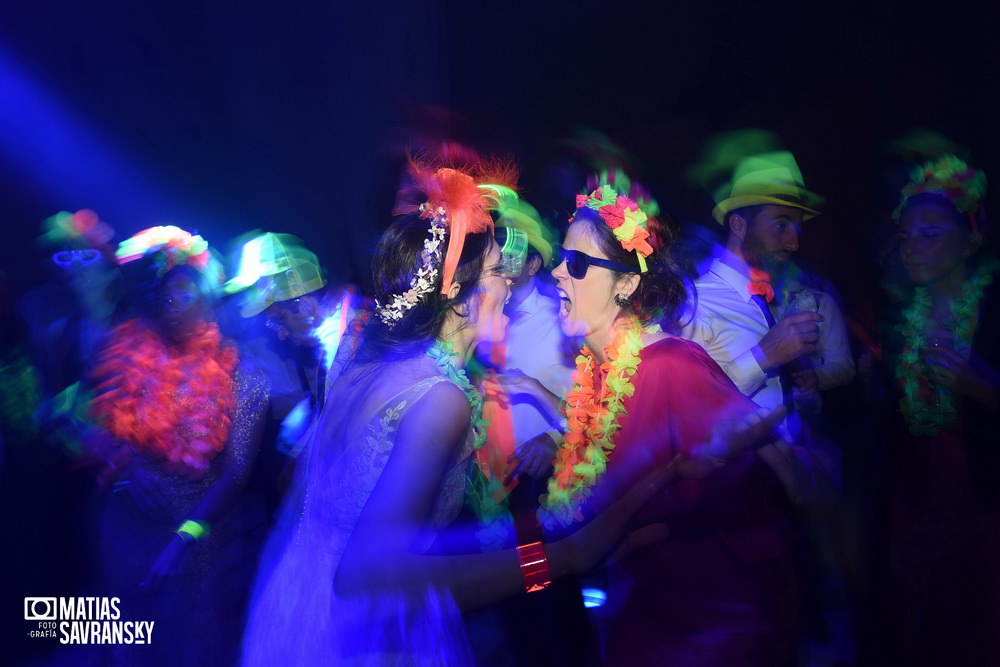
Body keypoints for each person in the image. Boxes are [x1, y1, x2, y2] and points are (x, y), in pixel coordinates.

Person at [240, 161, 680, 666]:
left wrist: (536, 529)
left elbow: (343, 511)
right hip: (365, 636)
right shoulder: (439, 397)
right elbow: (369, 575)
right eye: (496, 271)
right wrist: (559, 559)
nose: (510, 285)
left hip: (298, 601)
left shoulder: (362, 351)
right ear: (456, 292)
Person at [502, 174, 796, 665]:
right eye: (559, 259)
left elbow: (780, 472)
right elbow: (586, 513)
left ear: (628, 283)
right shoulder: (598, 377)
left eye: (575, 263)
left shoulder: (671, 365)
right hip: (653, 610)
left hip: (716, 629)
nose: (556, 273)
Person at [85, 225, 268, 666]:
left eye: (183, 294)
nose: (171, 305)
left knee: (189, 639)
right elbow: (96, 428)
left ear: (209, 301)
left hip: (194, 527)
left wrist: (184, 538)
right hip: (127, 524)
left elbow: (236, 473)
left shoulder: (247, 374)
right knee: (127, 639)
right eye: (166, 295)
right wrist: (128, 465)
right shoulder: (129, 351)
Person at [881, 155, 1000, 665]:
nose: (913, 247)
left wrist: (988, 388)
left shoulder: (996, 306)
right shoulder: (902, 318)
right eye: (906, 236)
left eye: (930, 233)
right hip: (921, 515)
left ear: (972, 238)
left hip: (989, 510)